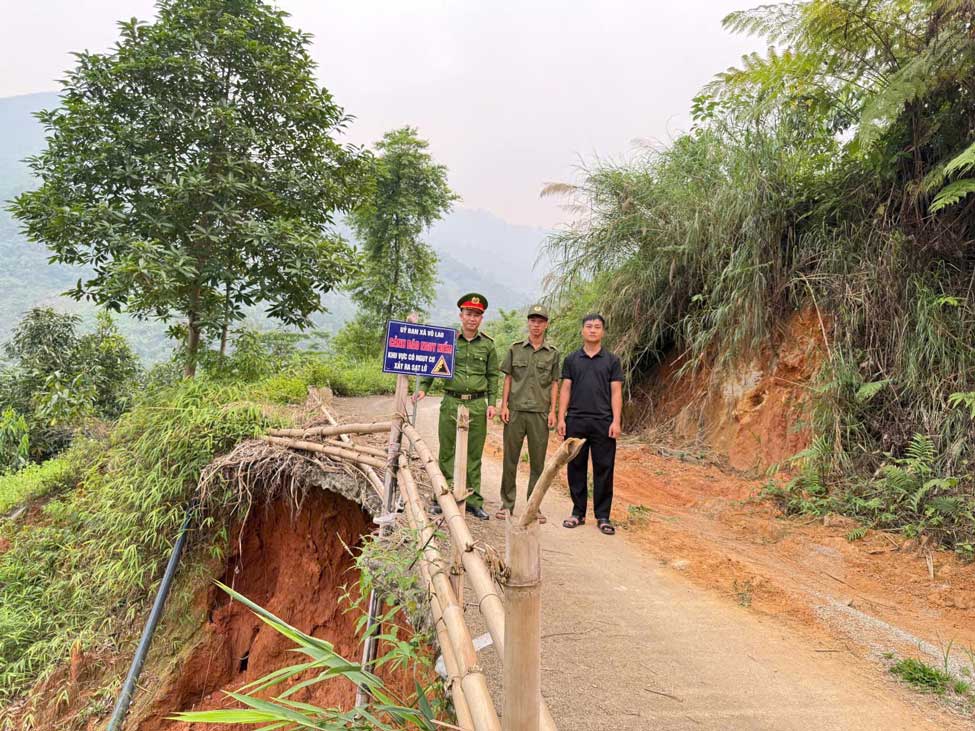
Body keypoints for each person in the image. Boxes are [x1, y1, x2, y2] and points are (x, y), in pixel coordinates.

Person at [415, 293, 498, 520]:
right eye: (469, 314)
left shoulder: (488, 345)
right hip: (451, 401)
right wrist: (423, 387)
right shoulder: (448, 341)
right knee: (447, 451)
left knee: (474, 453)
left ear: (481, 319)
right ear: (461, 315)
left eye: (477, 315)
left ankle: (473, 501)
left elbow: (492, 376)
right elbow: (433, 366)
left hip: (477, 404)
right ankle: (442, 498)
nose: (472, 318)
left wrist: (492, 403)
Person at [557, 313, 623, 535]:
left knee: (604, 468)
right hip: (576, 419)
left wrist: (616, 420)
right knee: (576, 466)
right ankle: (578, 512)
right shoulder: (572, 360)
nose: (593, 330)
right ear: (582, 331)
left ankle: (603, 516)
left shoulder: (612, 361)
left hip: (603, 422)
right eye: (588, 326)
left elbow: (616, 392)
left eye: (597, 327)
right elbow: (565, 389)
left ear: (603, 332)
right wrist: (561, 418)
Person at [498, 304, 560, 523]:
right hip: (515, 411)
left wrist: (553, 411)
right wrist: (503, 405)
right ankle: (507, 504)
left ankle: (534, 507)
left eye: (540, 321)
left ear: (546, 325)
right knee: (510, 460)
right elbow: (507, 378)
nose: (536, 325)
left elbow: (554, 383)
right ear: (528, 323)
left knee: (538, 464)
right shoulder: (515, 349)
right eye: (533, 321)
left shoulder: (553, 354)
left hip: (540, 414)